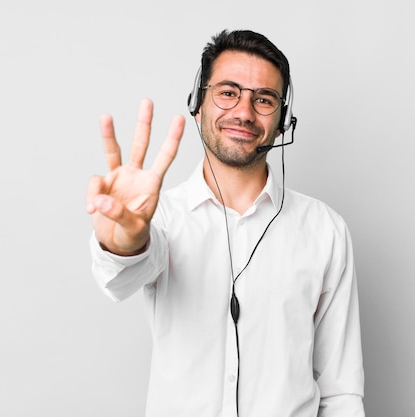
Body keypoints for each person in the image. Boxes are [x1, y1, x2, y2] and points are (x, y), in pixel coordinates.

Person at [86, 29, 365, 417]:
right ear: (197, 104)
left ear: (283, 121)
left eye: (264, 100)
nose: (244, 113)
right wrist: (126, 241)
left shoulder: (325, 230)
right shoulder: (161, 218)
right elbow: (120, 279)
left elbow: (340, 392)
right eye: (228, 92)